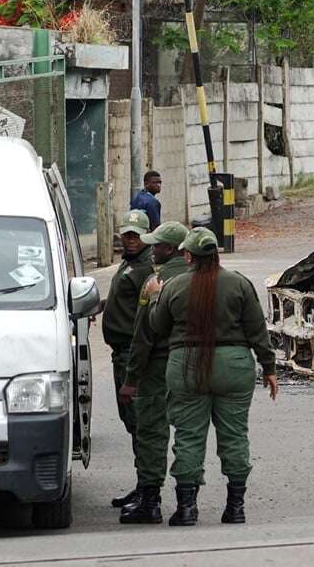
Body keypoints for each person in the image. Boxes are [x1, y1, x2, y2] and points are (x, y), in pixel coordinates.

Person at [149, 227, 279, 525]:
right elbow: (257, 329)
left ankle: (186, 509)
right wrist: (269, 368)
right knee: (235, 435)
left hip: (187, 365)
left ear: (189, 255)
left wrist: (154, 298)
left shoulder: (173, 286)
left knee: (188, 436)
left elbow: (158, 327)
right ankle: (235, 508)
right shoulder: (239, 284)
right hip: (234, 366)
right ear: (216, 254)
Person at [117, 221, 191, 524]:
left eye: (156, 246)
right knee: (189, 433)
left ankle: (150, 500)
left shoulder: (154, 282)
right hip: (192, 363)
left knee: (151, 431)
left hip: (158, 366)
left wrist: (131, 378)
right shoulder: (198, 278)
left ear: (170, 249)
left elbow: (143, 334)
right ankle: (189, 502)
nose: (151, 250)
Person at [103, 209, 155, 509]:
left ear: (146, 235)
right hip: (120, 355)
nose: (130, 240)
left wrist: (135, 370)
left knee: (141, 425)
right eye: (127, 234)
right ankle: (142, 484)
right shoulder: (130, 262)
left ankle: (148, 489)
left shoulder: (145, 269)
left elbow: (147, 320)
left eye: (136, 235)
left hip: (131, 356)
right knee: (133, 424)